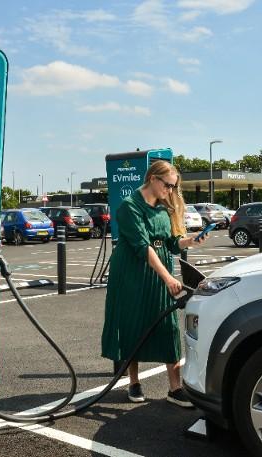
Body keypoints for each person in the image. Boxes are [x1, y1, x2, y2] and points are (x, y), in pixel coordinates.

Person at [101, 160, 208, 407]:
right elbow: (142, 246)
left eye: (173, 187)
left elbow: (169, 244)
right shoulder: (129, 206)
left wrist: (189, 241)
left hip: (158, 270)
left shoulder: (162, 207)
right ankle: (134, 382)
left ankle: (175, 388)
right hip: (132, 273)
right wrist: (168, 277)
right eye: (168, 185)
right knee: (133, 324)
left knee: (168, 327)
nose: (170, 190)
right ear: (153, 179)